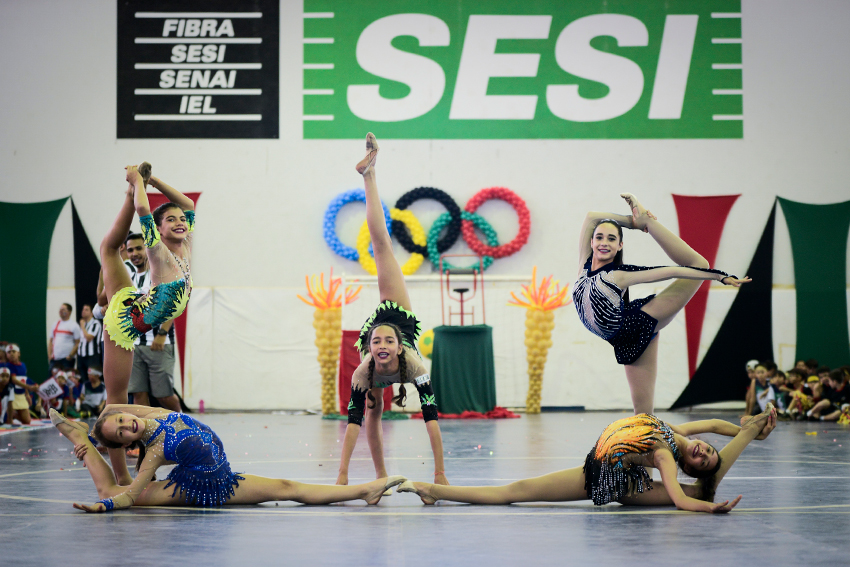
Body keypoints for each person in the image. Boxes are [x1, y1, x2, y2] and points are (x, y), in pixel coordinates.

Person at [398, 406, 777, 513]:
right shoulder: (677, 434)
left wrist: (709, 509)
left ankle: (708, 492)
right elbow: (712, 422)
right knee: (518, 490)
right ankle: (432, 490)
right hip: (599, 466)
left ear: (688, 465)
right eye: (708, 448)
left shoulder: (664, 454)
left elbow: (680, 500)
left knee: (700, 494)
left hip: (621, 483)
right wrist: (749, 427)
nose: (704, 451)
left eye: (704, 459)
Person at [336, 133, 449, 489]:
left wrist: (439, 474)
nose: (382, 347)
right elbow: (352, 424)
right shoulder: (364, 374)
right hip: (388, 323)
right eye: (376, 343)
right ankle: (380, 475)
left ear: (399, 347)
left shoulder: (415, 366)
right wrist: (341, 476)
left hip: (396, 317)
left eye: (387, 343)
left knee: (381, 242)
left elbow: (431, 419)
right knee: (372, 410)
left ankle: (369, 175)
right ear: (369, 347)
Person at [573, 195, 751, 414]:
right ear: (591, 242)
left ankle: (651, 224)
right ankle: (650, 447)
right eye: (599, 237)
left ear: (620, 245)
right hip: (624, 341)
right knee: (644, 415)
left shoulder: (618, 275)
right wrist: (631, 223)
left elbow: (672, 271)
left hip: (640, 320)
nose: (603, 243)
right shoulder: (583, 266)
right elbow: (592, 217)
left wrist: (719, 276)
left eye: (611, 239)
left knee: (699, 265)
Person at [49, 406, 405, 512]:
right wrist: (106, 506)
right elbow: (126, 494)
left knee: (286, 486)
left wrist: (104, 419)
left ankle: (364, 491)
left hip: (225, 477)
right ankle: (77, 437)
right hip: (198, 491)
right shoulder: (154, 452)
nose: (128, 425)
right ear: (127, 441)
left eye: (123, 420)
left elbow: (112, 409)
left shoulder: (156, 413)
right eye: (122, 433)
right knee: (118, 488)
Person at [98, 162, 194, 485]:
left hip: (131, 301)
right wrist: (137, 182)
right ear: (159, 229)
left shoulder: (185, 247)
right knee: (117, 401)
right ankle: (122, 476)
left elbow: (189, 205)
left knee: (109, 249)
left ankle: (128, 188)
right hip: (123, 325)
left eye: (181, 220)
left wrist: (152, 180)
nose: (180, 222)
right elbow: (144, 207)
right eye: (171, 220)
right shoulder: (157, 251)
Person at [124, 233, 181, 412]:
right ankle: (145, 435)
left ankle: (185, 425)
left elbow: (172, 304)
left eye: (139, 248)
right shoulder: (128, 278)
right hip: (134, 344)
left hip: (158, 344)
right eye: (130, 250)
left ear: (147, 249)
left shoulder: (160, 273)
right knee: (138, 393)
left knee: (163, 395)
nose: (134, 253)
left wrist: (162, 334)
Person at [5, 344, 39, 425]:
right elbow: (14, 380)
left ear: (19, 353)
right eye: (9, 352)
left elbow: (23, 380)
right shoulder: (8, 366)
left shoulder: (23, 365)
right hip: (11, 395)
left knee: (27, 421)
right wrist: (30, 387)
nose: (11, 354)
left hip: (21, 395)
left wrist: (26, 394)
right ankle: (8, 413)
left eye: (14, 351)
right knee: (8, 422)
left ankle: (13, 414)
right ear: (6, 355)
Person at [48, 303, 81, 372]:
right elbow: (50, 341)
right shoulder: (55, 324)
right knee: (51, 379)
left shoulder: (74, 326)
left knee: (66, 380)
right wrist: (49, 355)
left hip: (66, 359)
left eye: (63, 309)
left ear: (69, 312)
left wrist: (70, 356)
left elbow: (78, 343)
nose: (60, 311)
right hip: (55, 359)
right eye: (60, 309)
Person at [77, 304, 102, 384]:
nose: (83, 311)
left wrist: (82, 327)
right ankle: (85, 395)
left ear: (92, 313)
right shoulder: (84, 324)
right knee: (83, 379)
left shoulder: (95, 323)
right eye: (83, 309)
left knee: (93, 379)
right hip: (81, 355)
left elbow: (89, 338)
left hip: (92, 356)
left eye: (86, 309)